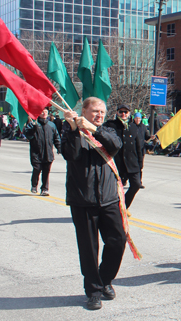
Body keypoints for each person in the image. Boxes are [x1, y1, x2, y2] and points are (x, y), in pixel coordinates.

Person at [61, 97, 126, 311]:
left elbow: (115, 146)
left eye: (102, 111)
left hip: (109, 199)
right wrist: (73, 129)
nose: (99, 115)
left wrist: (95, 130)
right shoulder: (71, 131)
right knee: (89, 249)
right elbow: (71, 154)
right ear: (84, 111)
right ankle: (94, 291)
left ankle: (105, 279)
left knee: (118, 241)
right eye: (95, 111)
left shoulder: (108, 130)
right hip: (83, 200)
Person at [104, 105, 148, 210]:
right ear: (117, 113)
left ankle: (123, 207)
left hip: (132, 163)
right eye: (121, 112)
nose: (123, 114)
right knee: (115, 189)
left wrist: (140, 163)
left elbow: (138, 146)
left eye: (126, 112)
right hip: (117, 163)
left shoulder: (133, 127)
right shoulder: (111, 125)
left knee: (136, 184)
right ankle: (115, 208)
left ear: (129, 113)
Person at [24, 107, 61, 196]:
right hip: (36, 153)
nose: (44, 113)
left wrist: (59, 147)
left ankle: (44, 189)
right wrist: (33, 129)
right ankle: (34, 185)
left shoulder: (51, 125)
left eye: (46, 111)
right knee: (37, 169)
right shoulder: (33, 124)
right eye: (42, 111)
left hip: (48, 153)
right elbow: (28, 135)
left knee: (46, 171)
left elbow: (56, 137)